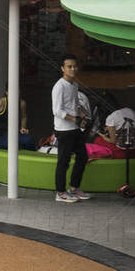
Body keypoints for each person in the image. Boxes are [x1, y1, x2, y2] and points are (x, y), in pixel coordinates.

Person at [51, 56, 91, 203]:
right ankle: (60, 193)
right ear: (62, 68)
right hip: (63, 130)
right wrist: (75, 119)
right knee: (64, 161)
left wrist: (82, 115)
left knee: (82, 157)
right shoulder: (59, 86)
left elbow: (75, 105)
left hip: (74, 128)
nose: (73, 69)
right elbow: (57, 110)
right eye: (69, 66)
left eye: (74, 66)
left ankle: (74, 188)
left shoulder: (73, 85)